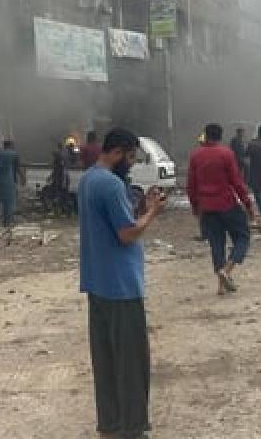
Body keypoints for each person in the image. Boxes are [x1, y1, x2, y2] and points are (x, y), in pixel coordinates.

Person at [78, 128, 165, 439]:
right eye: (130, 157)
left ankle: (111, 425)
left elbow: (114, 221)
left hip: (97, 283)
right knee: (131, 363)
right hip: (121, 287)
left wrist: (140, 207)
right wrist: (152, 212)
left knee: (106, 362)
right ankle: (132, 429)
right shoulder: (111, 184)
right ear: (117, 152)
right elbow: (126, 234)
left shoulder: (88, 179)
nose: (132, 164)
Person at [188, 123, 255, 295]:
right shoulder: (226, 153)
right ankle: (227, 269)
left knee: (216, 244)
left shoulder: (196, 156)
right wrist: (247, 204)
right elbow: (236, 181)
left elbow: (191, 185)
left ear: (205, 135)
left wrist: (195, 207)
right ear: (220, 136)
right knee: (243, 236)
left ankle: (221, 285)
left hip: (207, 208)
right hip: (227, 204)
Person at [0, 139, 21, 227]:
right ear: (10, 145)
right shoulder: (14, 154)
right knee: (9, 203)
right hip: (9, 181)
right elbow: (17, 168)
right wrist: (21, 178)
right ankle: (7, 223)